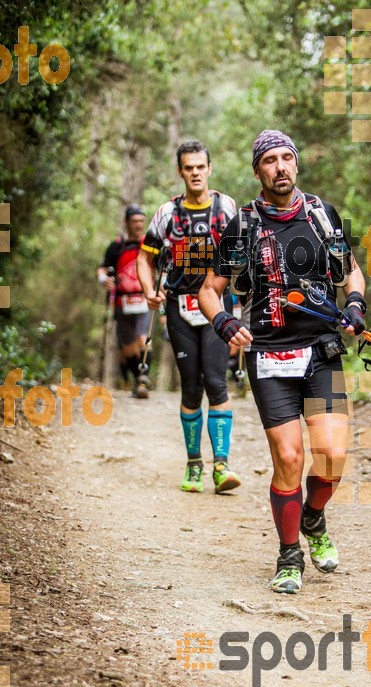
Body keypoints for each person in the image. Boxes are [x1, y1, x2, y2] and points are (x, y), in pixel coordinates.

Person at [199, 130, 366, 593]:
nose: (280, 167)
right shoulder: (244, 226)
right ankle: (289, 555)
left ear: (296, 163)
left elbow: (350, 268)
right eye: (270, 160)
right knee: (289, 457)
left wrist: (354, 304)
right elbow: (209, 290)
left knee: (332, 455)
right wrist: (225, 325)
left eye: (286, 157)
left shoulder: (320, 216)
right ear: (258, 171)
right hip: (269, 356)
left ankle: (313, 518)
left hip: (322, 351)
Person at [137, 140, 242, 494]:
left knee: (216, 381)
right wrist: (149, 290)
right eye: (188, 168)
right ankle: (194, 463)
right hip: (179, 308)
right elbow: (144, 258)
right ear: (180, 172)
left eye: (200, 167)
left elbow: (244, 253)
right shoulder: (168, 213)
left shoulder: (226, 207)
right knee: (192, 387)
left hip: (217, 307)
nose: (195, 173)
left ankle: (222, 465)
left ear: (209, 169)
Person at [97, 204, 152, 399]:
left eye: (141, 221)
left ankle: (143, 377)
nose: (138, 225)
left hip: (145, 299)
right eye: (134, 221)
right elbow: (103, 268)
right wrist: (104, 279)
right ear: (126, 222)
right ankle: (138, 379)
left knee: (143, 339)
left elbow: (161, 266)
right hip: (122, 302)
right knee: (128, 346)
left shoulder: (150, 244)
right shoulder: (116, 246)